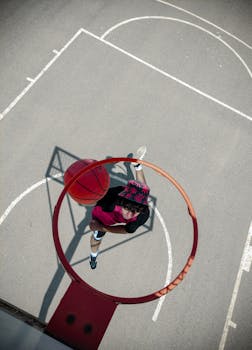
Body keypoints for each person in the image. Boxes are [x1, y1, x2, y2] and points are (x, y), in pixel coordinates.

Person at [89, 146, 150, 269]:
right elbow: (93, 198)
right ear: (121, 201)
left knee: (142, 190)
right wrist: (99, 226)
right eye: (128, 209)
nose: (130, 215)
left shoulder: (143, 214)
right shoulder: (109, 199)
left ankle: (137, 166)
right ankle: (93, 256)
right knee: (96, 238)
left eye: (136, 211)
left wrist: (103, 227)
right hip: (101, 216)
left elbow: (126, 230)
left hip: (106, 219)